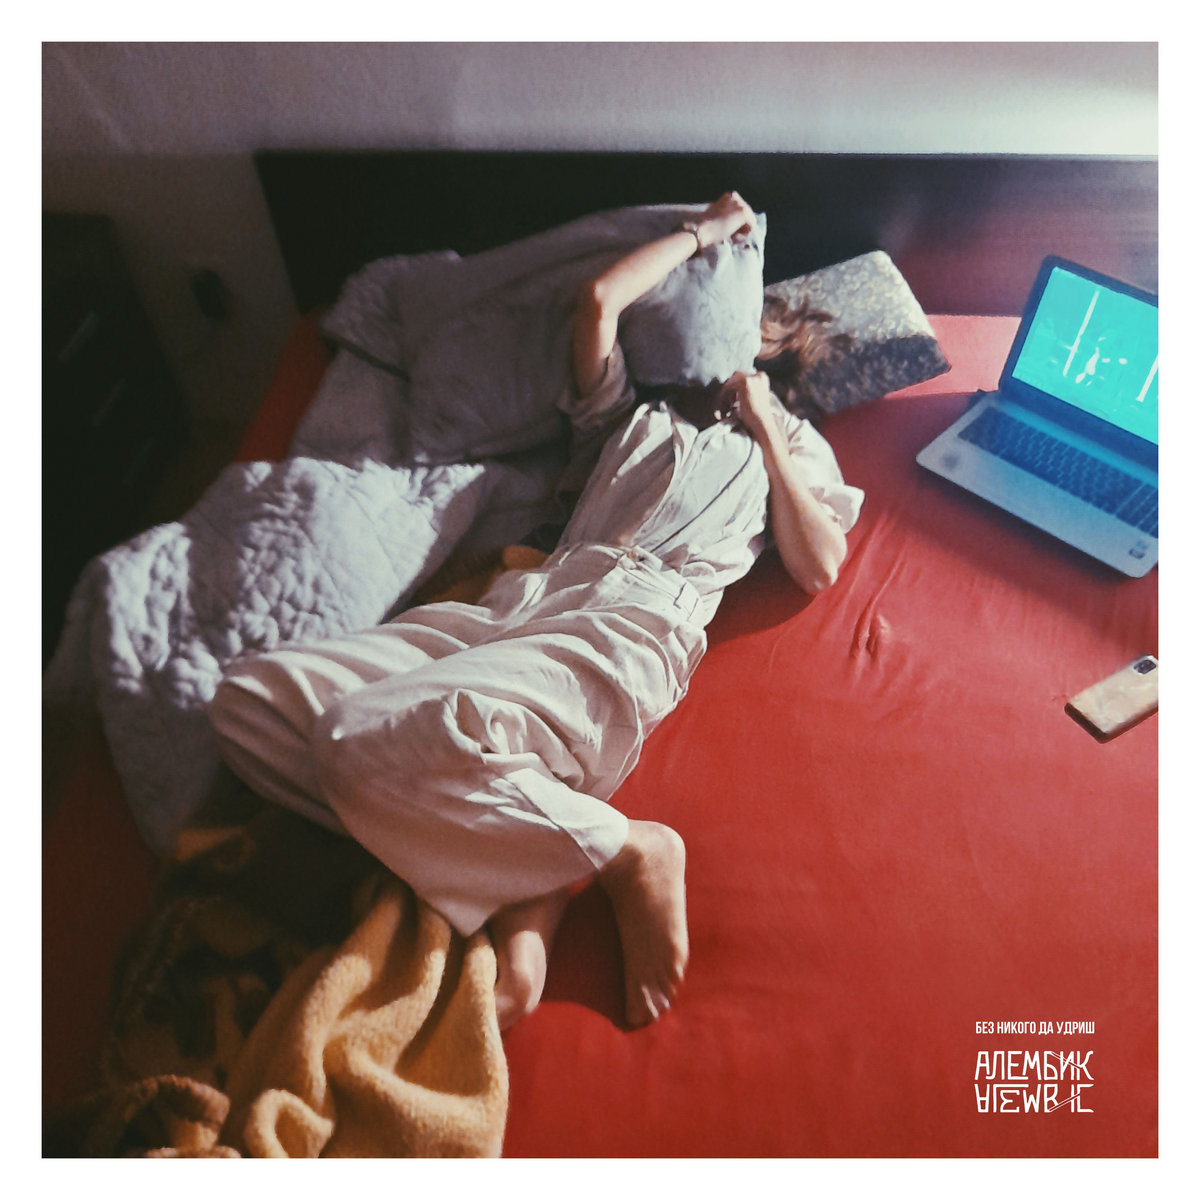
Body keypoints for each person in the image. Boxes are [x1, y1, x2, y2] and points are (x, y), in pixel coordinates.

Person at [208, 192, 864, 1032]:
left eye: (762, 323)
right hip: (526, 596)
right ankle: (537, 854)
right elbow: (599, 301)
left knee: (354, 738)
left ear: (785, 353)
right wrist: (704, 232)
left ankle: (624, 849)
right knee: (247, 703)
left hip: (630, 618)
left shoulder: (799, 450)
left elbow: (820, 564)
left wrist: (768, 428)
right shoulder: (632, 414)